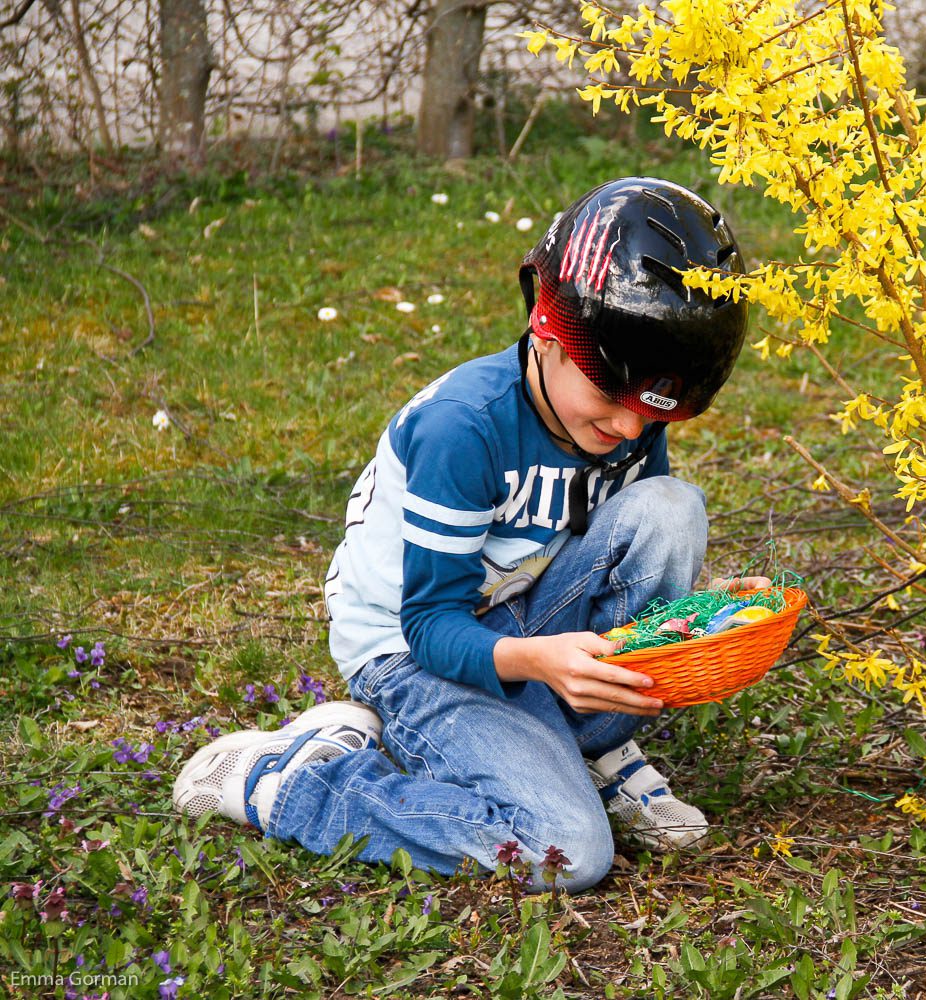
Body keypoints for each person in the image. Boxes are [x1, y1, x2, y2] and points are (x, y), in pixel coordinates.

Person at [172, 176, 767, 891]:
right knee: (571, 851)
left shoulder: (627, 423)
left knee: (670, 510)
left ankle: (575, 748)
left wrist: (706, 611)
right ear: (548, 325)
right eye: (611, 397)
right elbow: (429, 626)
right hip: (414, 652)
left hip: (519, 615)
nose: (629, 430)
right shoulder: (467, 427)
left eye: (657, 415)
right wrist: (540, 660)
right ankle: (297, 781)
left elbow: (613, 538)